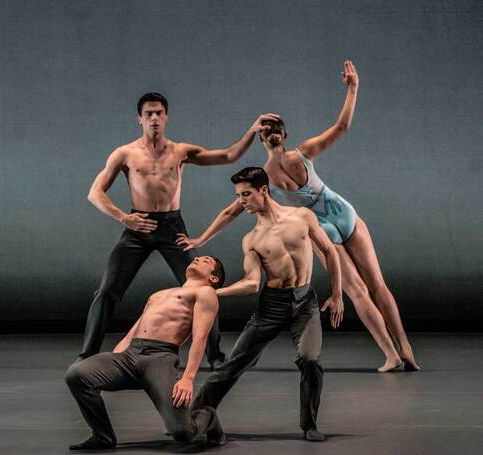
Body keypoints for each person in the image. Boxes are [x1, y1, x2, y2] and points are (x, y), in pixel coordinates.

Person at [178, 61, 419, 372]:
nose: (272, 132)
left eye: (276, 128)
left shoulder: (303, 152)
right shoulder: (261, 180)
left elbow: (341, 127)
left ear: (285, 134)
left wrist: (352, 88)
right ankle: (391, 354)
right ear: (260, 138)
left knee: (377, 285)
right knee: (356, 289)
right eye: (266, 129)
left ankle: (405, 346)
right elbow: (231, 210)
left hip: (345, 216)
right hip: (322, 230)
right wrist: (202, 238)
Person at [81, 91, 279, 368]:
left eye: (159, 113)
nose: (154, 118)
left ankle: (215, 356)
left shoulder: (180, 151)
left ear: (166, 117)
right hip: (138, 226)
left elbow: (229, 155)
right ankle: (87, 355)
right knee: (107, 292)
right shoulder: (125, 154)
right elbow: (95, 193)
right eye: (148, 114)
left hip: (172, 227)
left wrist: (252, 130)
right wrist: (125, 218)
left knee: (204, 290)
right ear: (140, 118)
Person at [191, 167, 343, 442]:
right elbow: (251, 283)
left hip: (305, 302)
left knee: (309, 360)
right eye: (238, 196)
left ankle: (309, 425)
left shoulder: (302, 217)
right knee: (234, 363)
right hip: (271, 306)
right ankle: (191, 415)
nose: (241, 201)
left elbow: (330, 251)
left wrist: (337, 294)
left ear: (263, 190)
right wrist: (215, 292)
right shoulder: (252, 239)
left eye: (246, 194)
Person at [66, 256, 228, 450]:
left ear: (214, 278)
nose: (198, 258)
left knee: (182, 432)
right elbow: (133, 332)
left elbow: (200, 337)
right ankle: (103, 437)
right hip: (130, 354)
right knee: (76, 374)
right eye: (198, 257)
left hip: (159, 358)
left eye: (206, 260)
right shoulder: (158, 294)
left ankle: (209, 416)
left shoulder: (206, 292)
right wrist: (114, 358)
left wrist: (188, 378)